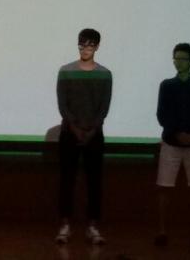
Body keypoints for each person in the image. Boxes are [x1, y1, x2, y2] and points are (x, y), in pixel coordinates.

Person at [55, 28, 112, 245]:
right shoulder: (65, 71)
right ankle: (65, 225)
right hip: (69, 134)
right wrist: (75, 127)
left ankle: (93, 226)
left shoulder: (105, 74)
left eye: (90, 45)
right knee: (67, 181)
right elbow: (63, 104)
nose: (85, 48)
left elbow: (104, 107)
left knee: (94, 182)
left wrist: (92, 129)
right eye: (82, 44)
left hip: (94, 135)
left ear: (97, 47)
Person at [154, 42, 190, 249]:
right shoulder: (166, 85)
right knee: (164, 188)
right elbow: (162, 114)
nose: (178, 62)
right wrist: (177, 133)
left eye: (183, 59)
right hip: (170, 143)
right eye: (176, 58)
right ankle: (162, 231)